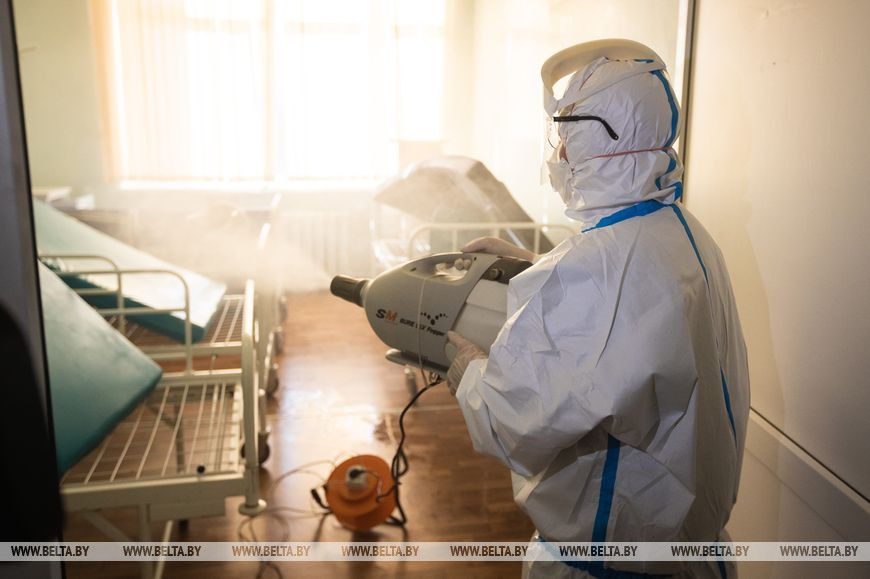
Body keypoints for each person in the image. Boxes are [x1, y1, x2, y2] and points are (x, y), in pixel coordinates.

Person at [446, 39, 750, 578]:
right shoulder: (683, 232)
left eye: (566, 137)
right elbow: (631, 306)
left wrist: (465, 368)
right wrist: (538, 266)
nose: (560, 155)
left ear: (598, 141)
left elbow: (510, 424)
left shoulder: (597, 273)